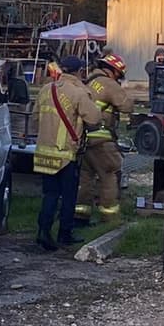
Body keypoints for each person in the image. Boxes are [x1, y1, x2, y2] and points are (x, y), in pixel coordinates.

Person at [33, 55, 101, 251]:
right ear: (79, 72)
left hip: (44, 151)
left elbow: (35, 118)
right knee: (69, 195)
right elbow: (94, 118)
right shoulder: (78, 92)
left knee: (50, 194)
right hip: (65, 154)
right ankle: (64, 234)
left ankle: (43, 231)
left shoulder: (46, 89)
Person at [76, 53, 135, 225]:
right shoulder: (109, 84)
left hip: (83, 140)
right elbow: (127, 107)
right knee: (109, 176)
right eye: (118, 75)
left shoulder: (86, 82)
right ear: (113, 71)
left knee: (85, 179)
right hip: (102, 141)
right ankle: (109, 218)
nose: (118, 79)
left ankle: (80, 216)